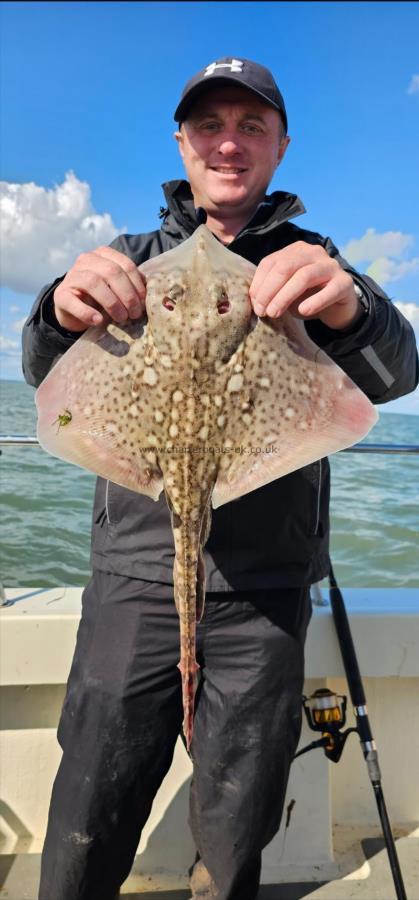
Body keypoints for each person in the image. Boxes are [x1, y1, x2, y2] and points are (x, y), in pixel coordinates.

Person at [22, 57, 418, 900]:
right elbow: (39, 369)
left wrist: (350, 310)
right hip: (132, 583)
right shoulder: (128, 259)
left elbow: (394, 376)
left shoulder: (316, 266)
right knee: (91, 799)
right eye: (210, 125)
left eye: (250, 127)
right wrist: (59, 304)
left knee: (238, 815)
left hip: (263, 593)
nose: (228, 143)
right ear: (182, 142)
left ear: (279, 146)